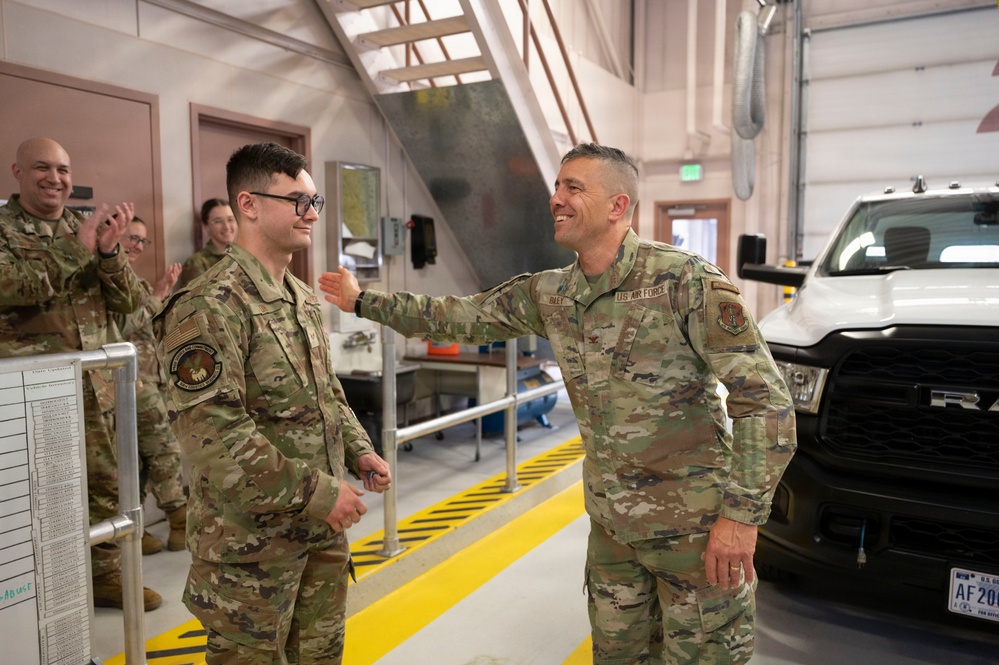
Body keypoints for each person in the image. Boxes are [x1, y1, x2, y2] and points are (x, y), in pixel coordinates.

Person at [320, 143, 797, 664]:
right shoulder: (551, 293)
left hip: (696, 533)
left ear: (617, 206)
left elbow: (766, 402)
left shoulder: (684, 282)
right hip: (613, 533)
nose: (557, 198)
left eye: (574, 187)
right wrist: (362, 300)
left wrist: (741, 518)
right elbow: (458, 315)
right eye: (557, 186)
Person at [155, 142, 391, 664]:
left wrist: (358, 449)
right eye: (296, 201)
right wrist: (320, 491)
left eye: (314, 201)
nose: (310, 213)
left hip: (318, 532)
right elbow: (216, 436)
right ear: (249, 204)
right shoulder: (208, 305)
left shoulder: (302, 298)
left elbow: (327, 391)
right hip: (251, 548)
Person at [0, 137, 163, 610]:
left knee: (103, 483)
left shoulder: (84, 226)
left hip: (95, 386)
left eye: (63, 169)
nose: (55, 178)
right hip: (30, 392)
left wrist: (110, 256)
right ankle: (38, 592)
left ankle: (105, 577)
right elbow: (14, 286)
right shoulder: (6, 230)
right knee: (40, 492)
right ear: (17, 171)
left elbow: (131, 302)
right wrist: (78, 249)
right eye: (42, 167)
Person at [116, 218, 187, 554]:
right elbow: (121, 327)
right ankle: (173, 520)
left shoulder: (137, 283)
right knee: (156, 452)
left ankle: (156, 526)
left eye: (143, 242)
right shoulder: (108, 280)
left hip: (150, 379)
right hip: (124, 384)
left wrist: (158, 294)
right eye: (132, 238)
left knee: (148, 457)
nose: (137, 247)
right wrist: (158, 296)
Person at [179, 197, 236, 287]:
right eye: (218, 221)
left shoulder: (246, 255)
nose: (227, 227)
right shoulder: (198, 262)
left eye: (230, 220)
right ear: (206, 226)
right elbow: (193, 299)